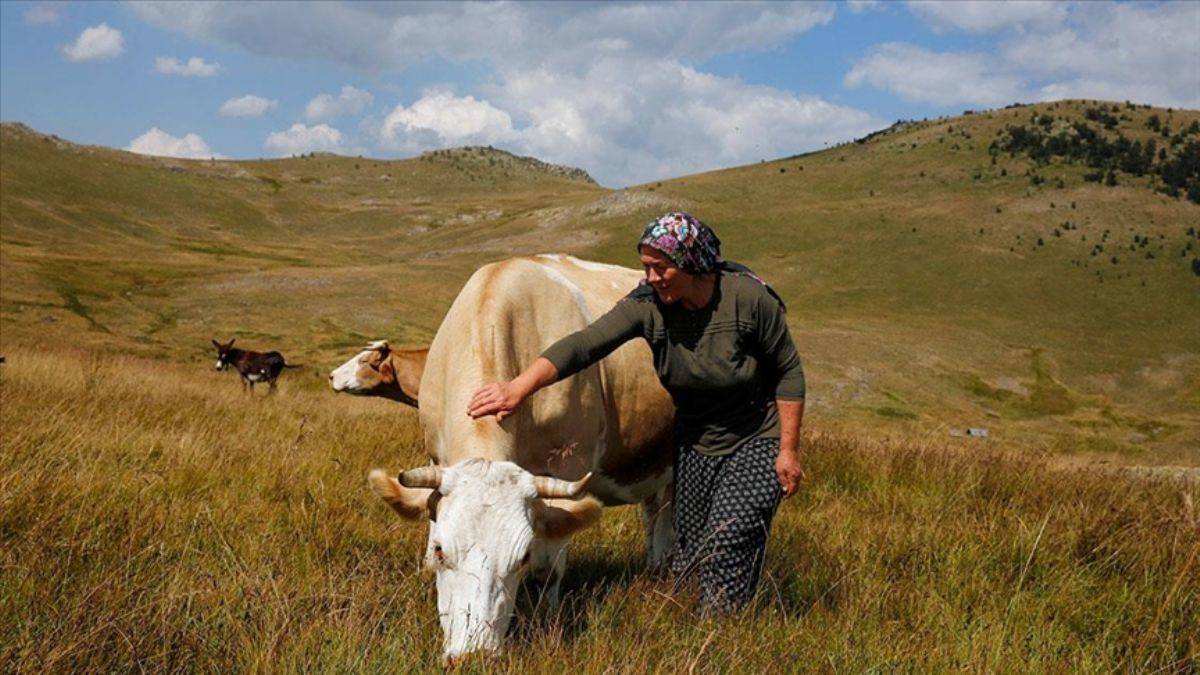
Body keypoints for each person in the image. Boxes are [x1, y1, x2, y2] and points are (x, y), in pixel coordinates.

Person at [468, 211, 805, 613]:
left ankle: (722, 631)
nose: (649, 277)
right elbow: (585, 344)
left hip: (754, 437)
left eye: (659, 268)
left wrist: (787, 449)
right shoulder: (648, 306)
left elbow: (788, 372)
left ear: (691, 264)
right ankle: (702, 624)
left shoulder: (748, 300)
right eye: (646, 267)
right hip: (695, 442)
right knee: (691, 551)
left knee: (730, 536)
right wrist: (518, 388)